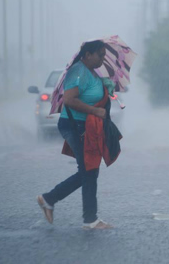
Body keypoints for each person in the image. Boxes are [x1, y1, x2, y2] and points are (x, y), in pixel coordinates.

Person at [37, 40, 114, 230]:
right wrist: (95, 112)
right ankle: (88, 219)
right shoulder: (78, 71)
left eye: (104, 55)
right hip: (75, 126)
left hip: (85, 126)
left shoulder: (91, 72)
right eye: (100, 55)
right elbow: (70, 100)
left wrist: (105, 86)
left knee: (89, 170)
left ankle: (52, 200)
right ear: (87, 54)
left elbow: (92, 95)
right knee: (89, 170)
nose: (103, 59)